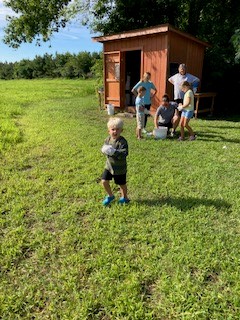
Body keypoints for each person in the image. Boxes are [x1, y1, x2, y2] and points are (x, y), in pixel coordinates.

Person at [101, 117, 130, 205]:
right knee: (104, 181)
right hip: (109, 166)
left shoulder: (122, 142)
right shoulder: (107, 140)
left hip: (119, 168)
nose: (115, 131)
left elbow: (124, 153)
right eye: (113, 129)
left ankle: (124, 197)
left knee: (121, 184)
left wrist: (114, 152)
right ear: (108, 131)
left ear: (121, 130)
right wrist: (104, 150)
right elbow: (105, 148)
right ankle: (110, 195)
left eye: (117, 129)